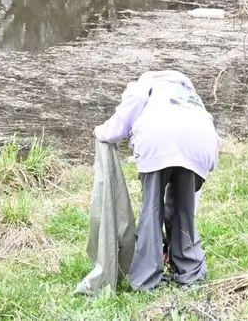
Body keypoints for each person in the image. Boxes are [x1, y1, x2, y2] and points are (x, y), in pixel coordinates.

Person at [94, 70, 220, 290]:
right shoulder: (189, 94)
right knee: (184, 212)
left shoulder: (145, 85)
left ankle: (147, 277)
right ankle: (191, 273)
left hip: (157, 141)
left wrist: (101, 132)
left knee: (152, 209)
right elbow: (211, 134)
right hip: (201, 145)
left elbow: (121, 122)